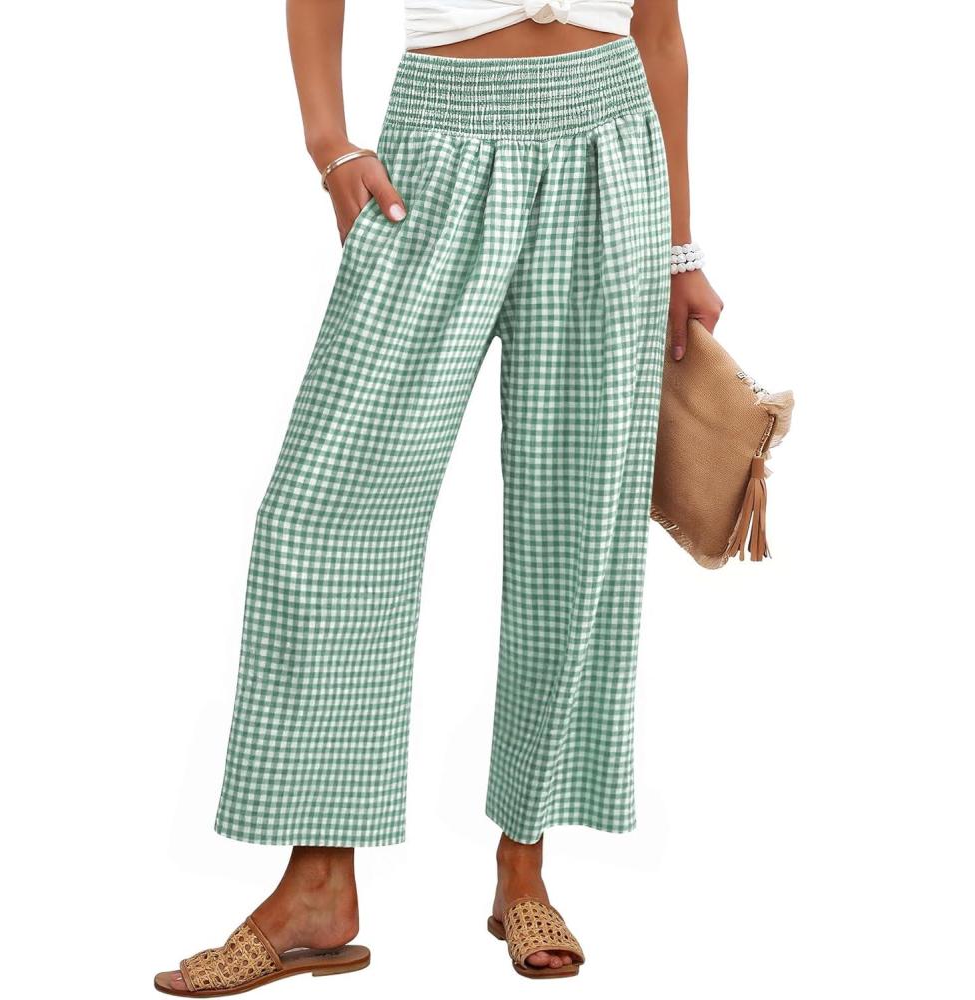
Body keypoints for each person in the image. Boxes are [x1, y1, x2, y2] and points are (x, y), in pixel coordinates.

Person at [154, 0, 723, 990]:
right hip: (438, 142)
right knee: (325, 512)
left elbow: (661, 30)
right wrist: (329, 143)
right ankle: (318, 885)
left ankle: (523, 864)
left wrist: (680, 249)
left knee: (577, 519)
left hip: (610, 147)